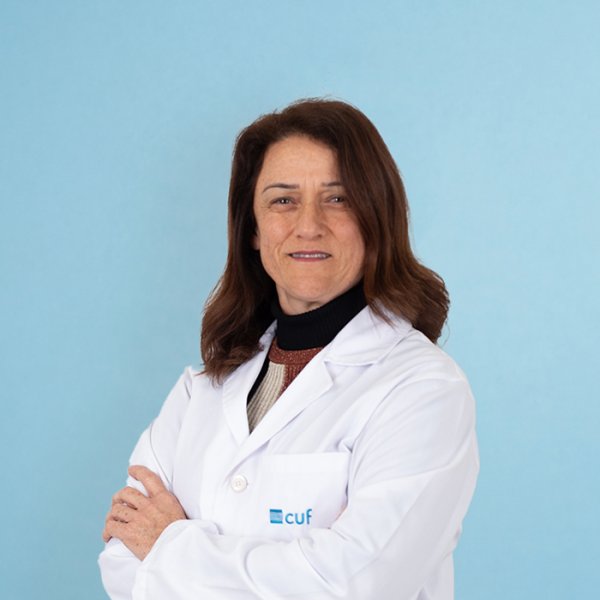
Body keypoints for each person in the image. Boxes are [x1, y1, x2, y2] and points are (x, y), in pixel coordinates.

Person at [98, 98, 479, 600]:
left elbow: (354, 585)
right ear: (253, 230)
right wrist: (291, 568)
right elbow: (122, 560)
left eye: (337, 198)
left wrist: (168, 546)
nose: (308, 225)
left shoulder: (423, 391)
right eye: (283, 200)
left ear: (376, 219)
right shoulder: (201, 391)